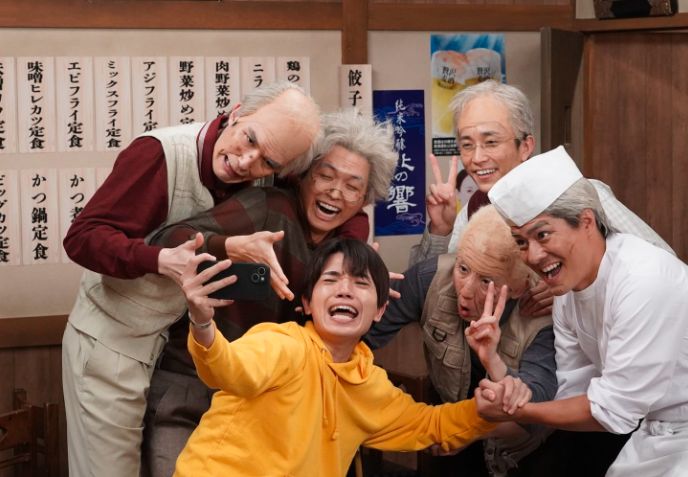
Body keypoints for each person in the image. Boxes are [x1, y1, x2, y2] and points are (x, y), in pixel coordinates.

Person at [61, 81, 321, 477]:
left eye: (268, 162)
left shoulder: (268, 171)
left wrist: (355, 256)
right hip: (112, 342)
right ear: (237, 112)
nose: (246, 161)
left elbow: (334, 193)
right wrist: (159, 259)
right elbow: (82, 237)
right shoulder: (159, 154)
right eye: (249, 138)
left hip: (175, 353)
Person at [141, 110, 399, 477]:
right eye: (325, 176)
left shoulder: (344, 248)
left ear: (364, 200)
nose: (335, 192)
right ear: (302, 176)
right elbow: (165, 240)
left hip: (263, 403)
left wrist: (365, 288)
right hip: (191, 388)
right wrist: (229, 245)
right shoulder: (269, 208)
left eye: (352, 186)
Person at [173, 237, 533, 476]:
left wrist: (482, 411)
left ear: (380, 310)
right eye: (330, 280)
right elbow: (229, 370)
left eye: (361, 283)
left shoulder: (369, 384)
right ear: (307, 303)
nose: (345, 290)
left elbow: (430, 425)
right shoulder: (282, 344)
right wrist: (202, 322)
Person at [478, 146, 688, 476]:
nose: (532, 255)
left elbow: (613, 411)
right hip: (655, 432)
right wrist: (510, 389)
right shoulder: (568, 295)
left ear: (587, 221)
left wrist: (522, 411)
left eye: (543, 235)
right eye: (521, 242)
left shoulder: (644, 279)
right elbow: (577, 392)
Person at [410, 80, 673, 317]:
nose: (477, 158)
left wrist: (570, 282)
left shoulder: (578, 195)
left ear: (526, 146)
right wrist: (440, 230)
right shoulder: (473, 210)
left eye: (491, 142)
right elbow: (426, 294)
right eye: (467, 145)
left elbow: (664, 266)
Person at [366, 205, 556, 476]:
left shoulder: (543, 317)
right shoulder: (431, 277)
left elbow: (535, 410)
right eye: (463, 268)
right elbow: (363, 334)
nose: (465, 290)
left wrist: (492, 361)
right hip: (449, 424)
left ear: (518, 287)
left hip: (517, 452)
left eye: (486, 281)